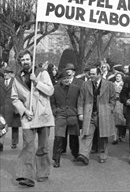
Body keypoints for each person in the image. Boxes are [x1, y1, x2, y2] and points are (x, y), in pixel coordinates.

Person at [11, 49, 54, 187]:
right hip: (28, 118)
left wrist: (36, 82)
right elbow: (15, 98)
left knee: (43, 147)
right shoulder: (16, 78)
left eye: (27, 59)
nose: (25, 62)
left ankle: (42, 173)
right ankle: (26, 176)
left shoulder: (42, 73)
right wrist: (23, 111)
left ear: (32, 60)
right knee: (28, 146)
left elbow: (50, 91)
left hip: (43, 115)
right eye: (22, 60)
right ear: (20, 62)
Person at [76, 66, 116, 165]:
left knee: (103, 136)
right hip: (89, 114)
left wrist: (109, 109)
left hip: (104, 114)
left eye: (93, 74)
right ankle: (84, 155)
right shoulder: (85, 85)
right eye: (90, 74)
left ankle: (102, 155)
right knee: (87, 134)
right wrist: (80, 113)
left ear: (99, 74)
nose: (91, 76)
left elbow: (113, 99)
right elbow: (81, 100)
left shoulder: (109, 84)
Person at [50, 71, 81, 168]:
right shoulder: (54, 89)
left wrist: (77, 112)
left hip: (72, 115)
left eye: (68, 78)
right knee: (59, 138)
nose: (66, 80)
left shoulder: (76, 89)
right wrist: (55, 111)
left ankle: (76, 154)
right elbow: (52, 103)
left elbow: (79, 101)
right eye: (64, 79)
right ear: (60, 80)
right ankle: (56, 159)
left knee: (74, 137)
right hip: (60, 116)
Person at [0, 66, 21, 149]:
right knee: (1, 125)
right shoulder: (1, 82)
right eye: (4, 72)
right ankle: (1, 143)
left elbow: (20, 94)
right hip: (2, 107)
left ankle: (14, 142)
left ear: (11, 74)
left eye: (7, 72)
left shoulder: (15, 82)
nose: (5, 74)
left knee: (15, 125)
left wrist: (18, 107)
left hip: (13, 107)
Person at [112, 73, 127, 144]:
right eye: (116, 76)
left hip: (122, 104)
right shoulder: (112, 84)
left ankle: (121, 135)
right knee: (115, 121)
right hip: (114, 104)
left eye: (119, 76)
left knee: (122, 121)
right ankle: (115, 137)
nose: (117, 78)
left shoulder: (124, 84)